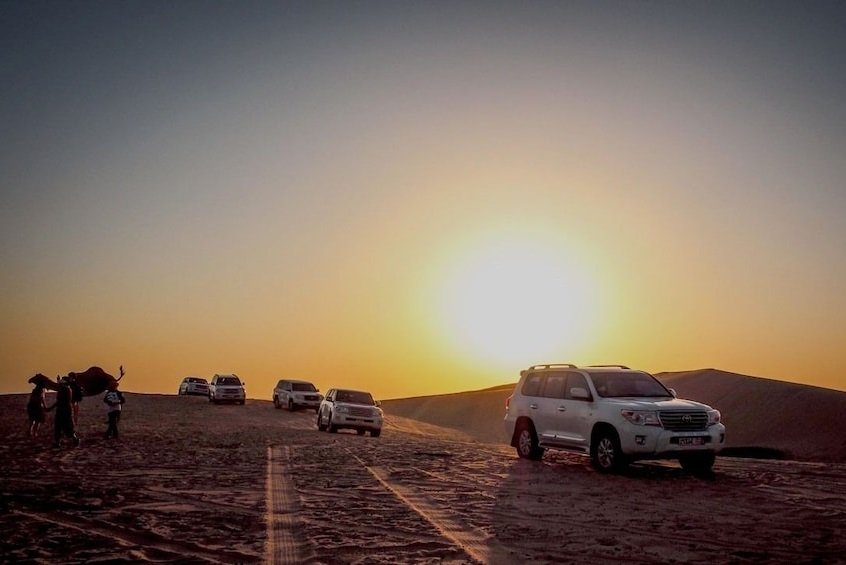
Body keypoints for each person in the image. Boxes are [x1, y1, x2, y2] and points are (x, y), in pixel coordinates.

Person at [47, 380, 80, 448]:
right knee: (67, 426)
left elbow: (59, 401)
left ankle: (59, 442)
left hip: (62, 410)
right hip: (67, 410)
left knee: (59, 427)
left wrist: (50, 408)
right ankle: (74, 439)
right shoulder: (68, 389)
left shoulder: (63, 390)